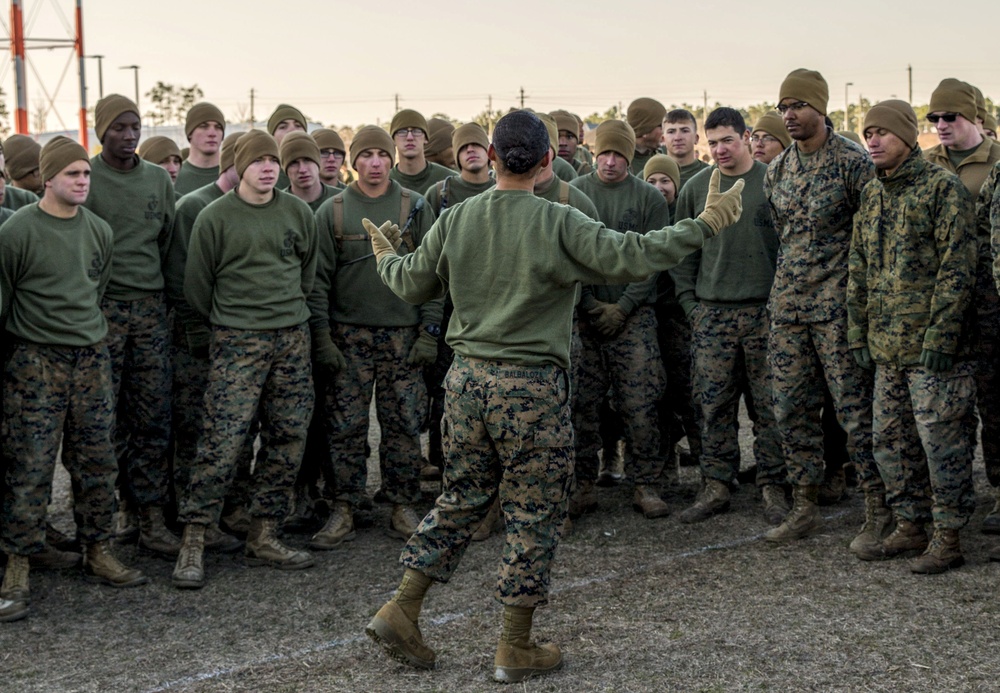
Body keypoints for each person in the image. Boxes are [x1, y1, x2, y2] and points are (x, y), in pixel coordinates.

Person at [363, 109, 744, 682]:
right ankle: (513, 647)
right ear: (548, 162)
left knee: (462, 496)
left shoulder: (457, 217)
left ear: (491, 158)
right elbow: (636, 254)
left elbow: (410, 282)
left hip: (465, 383)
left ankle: (402, 608)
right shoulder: (560, 220)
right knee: (534, 510)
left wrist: (385, 256)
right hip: (530, 390)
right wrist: (705, 224)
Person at [1, 137, 149, 621]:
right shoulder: (17, 232)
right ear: (48, 179)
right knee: (30, 466)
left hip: (90, 360)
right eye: (72, 175)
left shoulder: (99, 231)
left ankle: (98, 548)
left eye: (86, 174)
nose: (83, 182)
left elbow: (96, 288)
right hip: (35, 364)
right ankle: (18, 562)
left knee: (96, 460)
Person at [172, 130, 318, 588]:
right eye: (258, 161)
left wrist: (285, 314)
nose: (269, 168)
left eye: (273, 160)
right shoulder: (214, 218)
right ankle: (195, 539)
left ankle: (264, 532)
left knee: (288, 435)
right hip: (237, 340)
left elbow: (307, 273)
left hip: (291, 338)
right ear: (239, 167)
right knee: (222, 439)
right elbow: (197, 287)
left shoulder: (297, 211)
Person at [848, 101, 977, 572]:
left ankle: (948, 536)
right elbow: (858, 266)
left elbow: (958, 269)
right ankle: (910, 525)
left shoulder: (942, 188)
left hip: (931, 352)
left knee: (942, 442)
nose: (873, 141)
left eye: (882, 132)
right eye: (868, 133)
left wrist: (942, 337)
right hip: (887, 349)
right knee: (891, 442)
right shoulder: (872, 194)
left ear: (906, 136)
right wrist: (858, 331)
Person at [764, 69, 883, 550]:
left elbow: (871, 237)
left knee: (856, 414)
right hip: (789, 308)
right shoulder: (778, 169)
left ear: (821, 108)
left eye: (798, 106)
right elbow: (782, 232)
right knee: (791, 409)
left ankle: (878, 510)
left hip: (838, 309)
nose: (789, 116)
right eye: (783, 107)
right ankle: (804, 505)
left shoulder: (854, 163)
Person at [308, 125, 439, 550]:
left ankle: (403, 504)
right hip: (349, 338)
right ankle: (345, 505)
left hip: (403, 336)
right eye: (366, 155)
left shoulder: (415, 207)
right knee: (345, 425)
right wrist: (323, 339)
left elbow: (436, 275)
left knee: (402, 424)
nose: (376, 163)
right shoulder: (333, 210)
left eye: (382, 154)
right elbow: (318, 284)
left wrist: (428, 334)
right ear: (354, 161)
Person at [671, 107, 784, 525]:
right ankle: (716, 484)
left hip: (763, 314)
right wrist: (691, 307)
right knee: (713, 406)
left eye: (727, 141)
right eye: (713, 142)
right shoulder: (697, 188)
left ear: (747, 137)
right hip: (712, 315)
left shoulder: (772, 182)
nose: (720, 150)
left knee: (769, 407)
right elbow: (680, 252)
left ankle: (774, 484)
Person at [83, 94, 178, 556]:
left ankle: (153, 516)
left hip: (150, 311)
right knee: (107, 417)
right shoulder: (87, 178)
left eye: (135, 126)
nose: (129, 135)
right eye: (119, 127)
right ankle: (120, 507)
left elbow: (168, 242)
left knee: (152, 417)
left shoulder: (158, 180)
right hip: (102, 313)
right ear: (102, 131)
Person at [569, 118, 672, 519]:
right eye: (603, 154)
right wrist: (592, 305)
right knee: (582, 404)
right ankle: (581, 483)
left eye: (617, 154)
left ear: (629, 156)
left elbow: (653, 259)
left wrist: (624, 307)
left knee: (641, 403)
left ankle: (644, 483)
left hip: (634, 317)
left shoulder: (649, 198)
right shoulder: (574, 193)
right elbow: (569, 256)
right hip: (585, 316)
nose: (609, 162)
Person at [162, 132, 249, 549]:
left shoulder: (253, 205)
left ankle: (229, 508)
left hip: (238, 336)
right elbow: (181, 280)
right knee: (195, 427)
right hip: (197, 337)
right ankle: (190, 517)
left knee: (233, 430)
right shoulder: (193, 207)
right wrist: (196, 332)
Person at [924, 79, 1000, 538]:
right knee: (944, 403)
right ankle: (948, 495)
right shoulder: (924, 164)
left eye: (949, 116)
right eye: (934, 118)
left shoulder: (997, 163)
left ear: (973, 116)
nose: (941, 125)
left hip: (989, 297)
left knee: (995, 397)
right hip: (940, 299)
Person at [387, 109, 453, 194]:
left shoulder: (449, 180)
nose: (410, 137)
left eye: (416, 131)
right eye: (402, 132)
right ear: (393, 139)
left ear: (426, 138)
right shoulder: (384, 182)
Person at [174, 102, 226, 196]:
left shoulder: (232, 176)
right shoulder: (174, 176)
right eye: (203, 126)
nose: (212, 133)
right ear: (190, 133)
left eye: (218, 127)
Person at [664, 109, 709, 188]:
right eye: (671, 132)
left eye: (684, 131)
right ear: (663, 139)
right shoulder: (648, 176)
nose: (677, 138)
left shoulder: (711, 175)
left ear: (696, 138)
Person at [627, 97, 666, 176]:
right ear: (645, 130)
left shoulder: (663, 157)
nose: (664, 131)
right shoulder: (617, 161)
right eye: (661, 126)